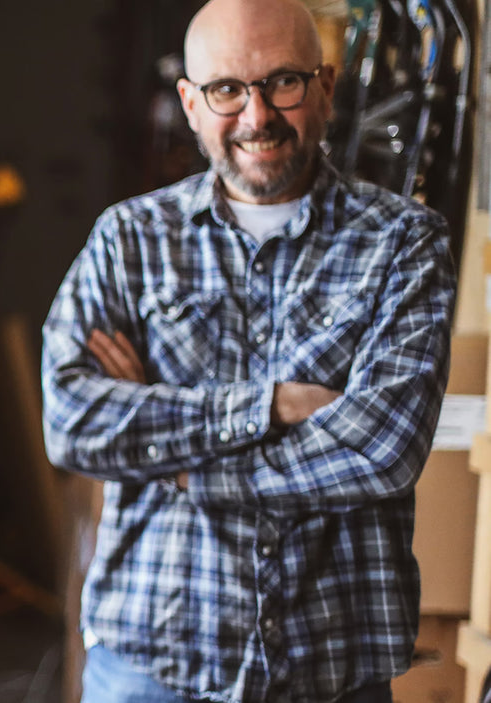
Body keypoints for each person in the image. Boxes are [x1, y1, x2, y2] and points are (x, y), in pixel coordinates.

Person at [40, 0, 456, 701]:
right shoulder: (129, 240)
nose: (257, 116)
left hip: (333, 669)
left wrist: (181, 467)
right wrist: (273, 406)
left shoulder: (404, 243)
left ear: (325, 86)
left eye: (282, 82)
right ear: (190, 103)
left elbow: (381, 448)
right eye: (227, 89)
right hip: (151, 666)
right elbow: (74, 422)